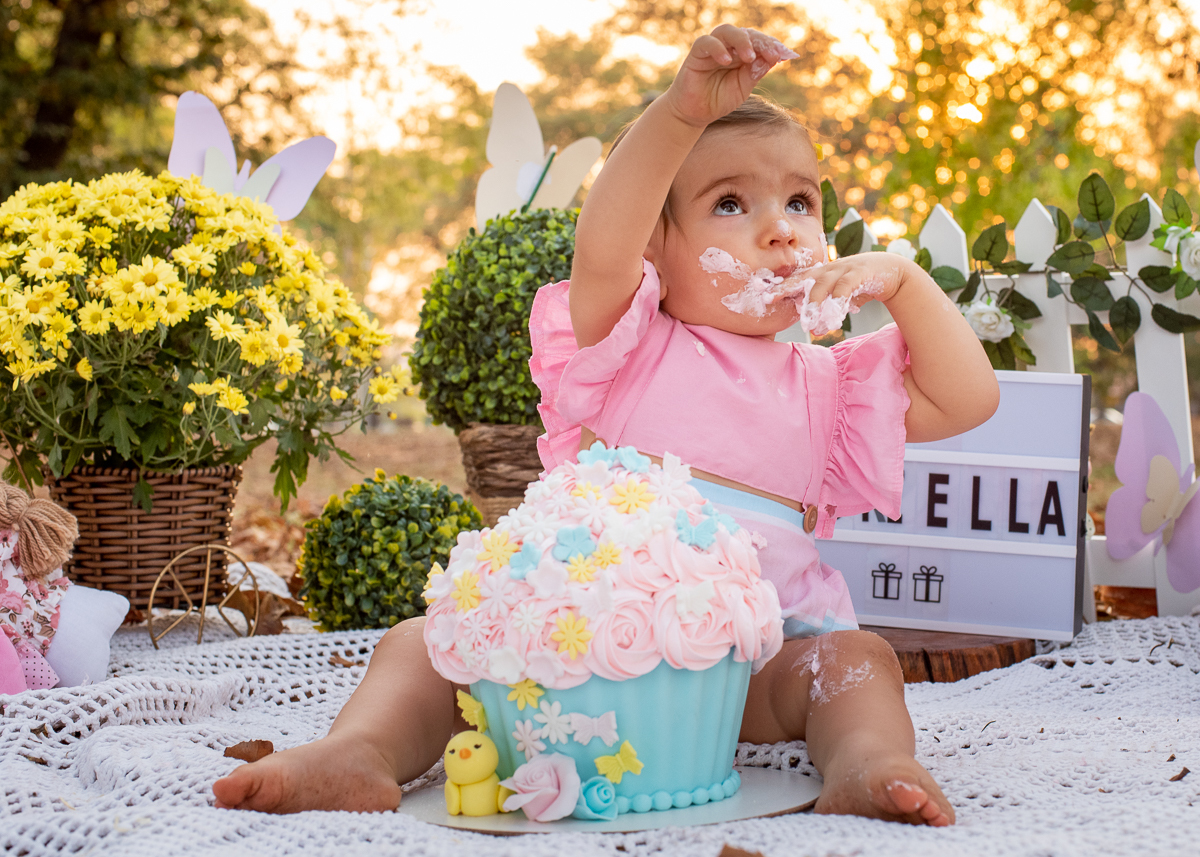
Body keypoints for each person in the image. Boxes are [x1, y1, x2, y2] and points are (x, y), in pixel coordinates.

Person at [213, 25, 998, 826]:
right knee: (421, 645)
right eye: (730, 203)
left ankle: (866, 760)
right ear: (656, 245)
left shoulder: (828, 385)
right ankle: (361, 750)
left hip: (750, 669)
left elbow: (969, 399)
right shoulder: (630, 343)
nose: (780, 228)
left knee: (856, 661)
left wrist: (903, 282)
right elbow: (604, 242)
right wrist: (681, 113)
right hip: (574, 648)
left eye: (800, 201)